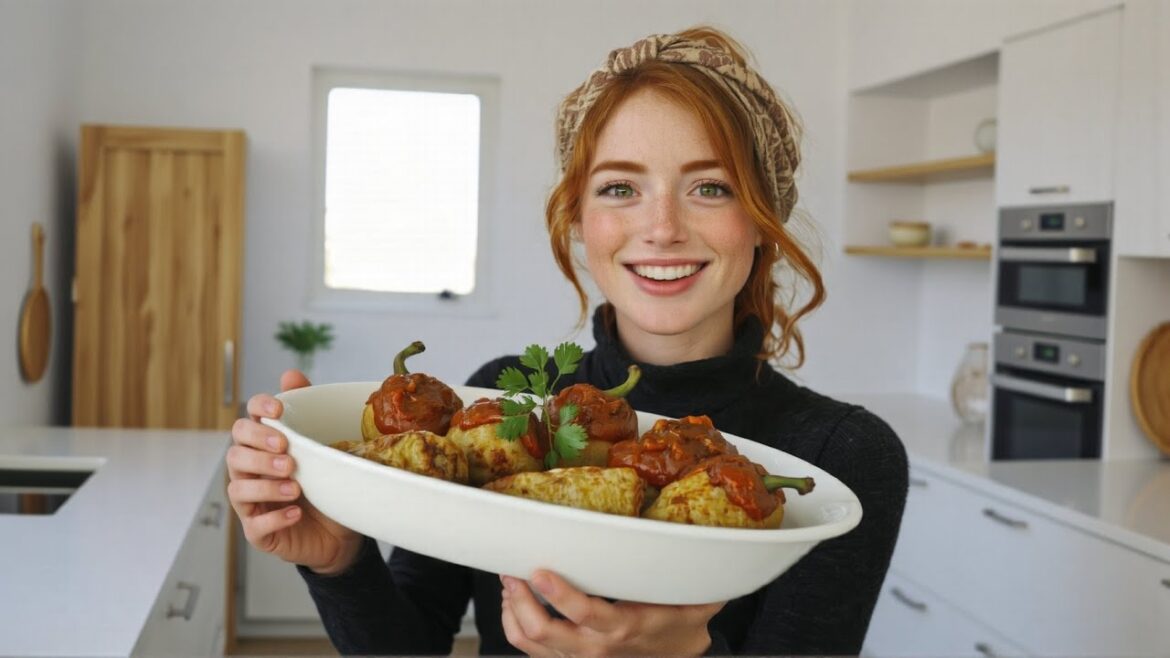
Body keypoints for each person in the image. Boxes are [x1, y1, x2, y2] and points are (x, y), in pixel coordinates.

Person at [227, 26, 908, 656]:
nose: (662, 227)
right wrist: (338, 561)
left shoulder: (843, 458)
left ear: (762, 220)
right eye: (620, 187)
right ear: (579, 218)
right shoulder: (498, 403)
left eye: (709, 186)